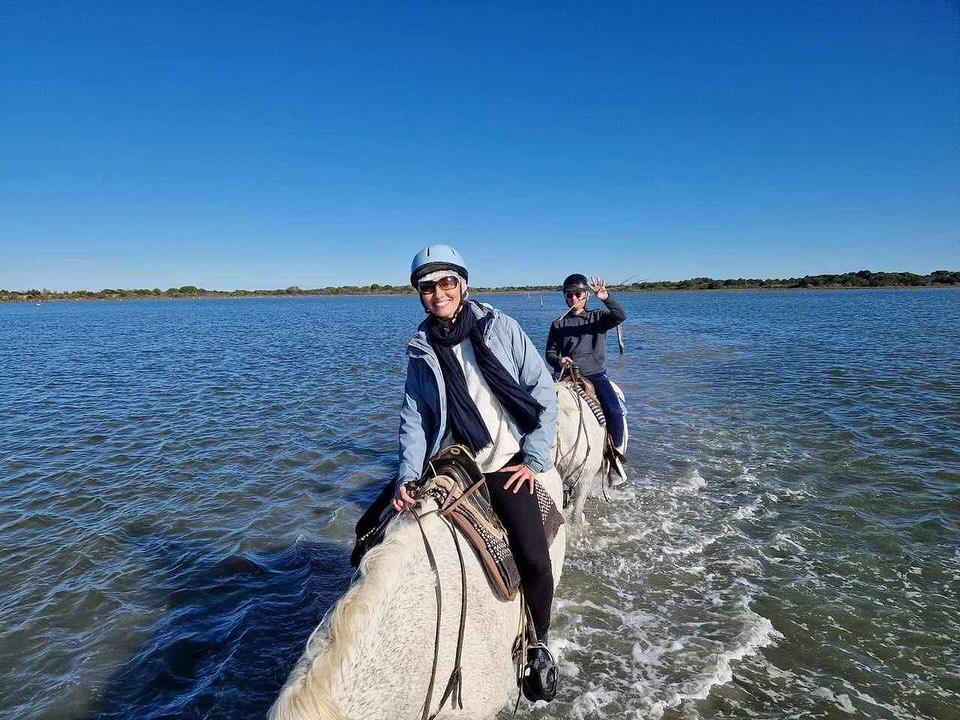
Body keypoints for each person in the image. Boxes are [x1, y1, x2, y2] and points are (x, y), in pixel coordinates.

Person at [392, 244, 560, 702]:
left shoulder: (499, 327)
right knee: (379, 536)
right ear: (420, 295)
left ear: (462, 285)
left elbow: (542, 390)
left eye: (447, 282)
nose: (438, 293)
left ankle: (539, 642)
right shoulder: (420, 349)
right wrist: (406, 475)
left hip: (506, 460)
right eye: (428, 286)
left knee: (533, 557)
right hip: (454, 464)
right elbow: (415, 419)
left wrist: (534, 459)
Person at [545, 273, 627, 456]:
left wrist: (606, 298)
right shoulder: (558, 324)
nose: (573, 298)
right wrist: (559, 361)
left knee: (614, 411)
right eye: (569, 294)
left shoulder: (597, 317)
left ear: (586, 295)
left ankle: (616, 452)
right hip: (565, 375)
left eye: (578, 293)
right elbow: (549, 354)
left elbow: (620, 316)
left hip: (594, 374)